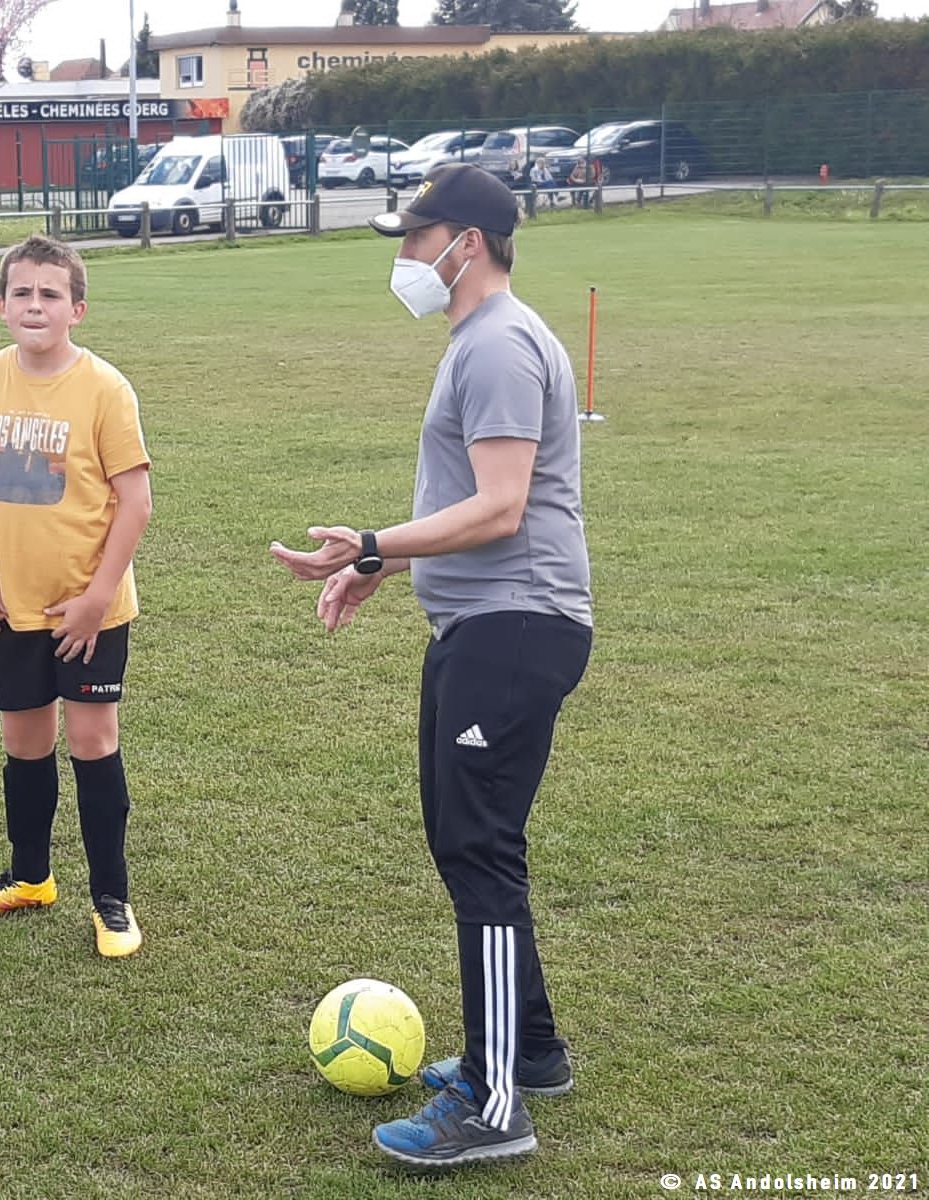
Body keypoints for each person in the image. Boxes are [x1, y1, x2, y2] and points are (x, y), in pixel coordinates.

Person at [270, 163, 593, 1169]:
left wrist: (372, 540)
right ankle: (528, 1053)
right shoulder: (484, 340)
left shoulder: (497, 343)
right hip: (489, 627)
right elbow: (479, 504)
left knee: (477, 848)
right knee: (475, 842)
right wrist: (384, 562)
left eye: (417, 237)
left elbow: (501, 505)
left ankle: (494, 1105)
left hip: (513, 627)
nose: (406, 256)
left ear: (468, 242)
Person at [0, 234, 153, 958]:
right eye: (22, 293)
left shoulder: (104, 388)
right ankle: (30, 877)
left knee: (92, 742)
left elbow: (136, 502)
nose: (36, 305)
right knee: (24, 743)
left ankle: (112, 899)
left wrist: (97, 597)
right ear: (1, 305)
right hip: (14, 604)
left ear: (77, 309)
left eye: (50, 294)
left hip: (87, 609)